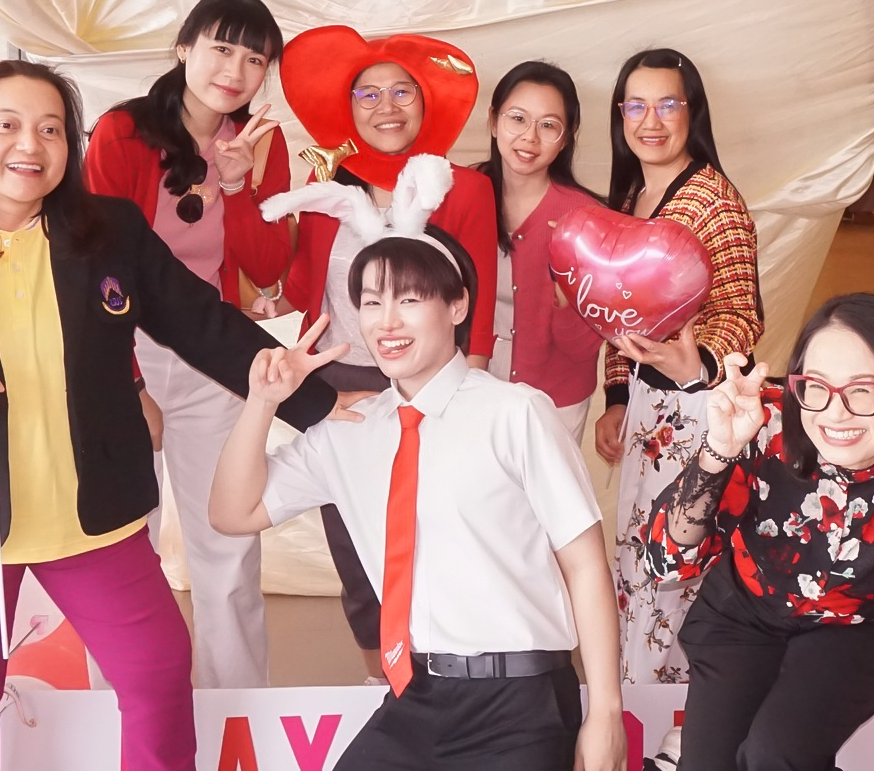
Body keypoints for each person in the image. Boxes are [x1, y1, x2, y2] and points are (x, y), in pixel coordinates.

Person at [0, 60, 349, 771]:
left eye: (50, 129)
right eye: (7, 126)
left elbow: (200, 322)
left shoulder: (110, 231)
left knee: (157, 672)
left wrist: (322, 403)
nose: (30, 145)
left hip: (92, 516)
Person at [210, 232, 626, 771]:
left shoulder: (516, 413)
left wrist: (607, 712)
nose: (387, 322)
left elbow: (585, 563)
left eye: (408, 299)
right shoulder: (350, 430)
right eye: (371, 302)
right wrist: (262, 403)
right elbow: (232, 513)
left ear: (457, 306)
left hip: (519, 701)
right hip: (415, 696)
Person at [644, 293, 874, 771]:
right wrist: (718, 449)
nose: (834, 413)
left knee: (775, 755)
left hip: (867, 619)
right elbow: (665, 562)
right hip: (747, 609)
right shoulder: (763, 425)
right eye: (816, 386)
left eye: (862, 390)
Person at [255, 26, 499, 674]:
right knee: (358, 553)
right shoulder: (327, 189)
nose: (385, 107)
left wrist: (464, 406)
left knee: (442, 538)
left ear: (426, 103)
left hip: (432, 389)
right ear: (348, 109)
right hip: (342, 392)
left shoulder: (464, 189)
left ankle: (451, 680)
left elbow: (477, 311)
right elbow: (299, 289)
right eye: (368, 94)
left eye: (401, 92)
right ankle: (381, 685)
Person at [84, 0, 291, 689]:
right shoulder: (123, 133)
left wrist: (238, 184)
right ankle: (125, 708)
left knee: (227, 541)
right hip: (125, 350)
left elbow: (268, 266)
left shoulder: (261, 140)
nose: (235, 70)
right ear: (184, 48)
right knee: (122, 542)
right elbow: (97, 265)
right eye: (221, 48)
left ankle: (239, 714)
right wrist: (127, 383)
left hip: (213, 352)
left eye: (254, 58)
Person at [593, 48, 763, 697]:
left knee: (677, 569)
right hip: (645, 413)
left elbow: (743, 312)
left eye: (668, 104)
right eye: (636, 105)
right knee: (638, 562)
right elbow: (617, 313)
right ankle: (636, 705)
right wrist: (616, 396)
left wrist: (698, 362)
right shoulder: (630, 197)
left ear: (693, 112)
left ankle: (680, 717)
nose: (651, 120)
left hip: (698, 415)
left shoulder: (713, 199)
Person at [474, 61, 605, 439]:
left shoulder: (587, 219)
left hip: (556, 402)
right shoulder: (463, 191)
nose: (529, 137)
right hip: (471, 386)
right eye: (517, 119)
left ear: (566, 137)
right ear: (493, 121)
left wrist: (568, 294)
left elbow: (583, 347)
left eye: (548, 125)